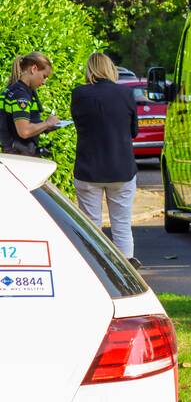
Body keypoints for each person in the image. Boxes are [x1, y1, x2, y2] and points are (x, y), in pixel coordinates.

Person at [71, 53, 140, 267]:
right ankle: (127, 266)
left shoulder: (79, 94)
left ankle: (95, 266)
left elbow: (78, 124)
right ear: (111, 69)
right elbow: (134, 131)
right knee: (122, 223)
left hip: (88, 168)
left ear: (89, 69)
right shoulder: (126, 94)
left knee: (91, 224)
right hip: (121, 168)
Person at [1, 52, 60, 156]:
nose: (44, 82)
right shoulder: (21, 95)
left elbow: (12, 125)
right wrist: (47, 123)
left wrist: (45, 127)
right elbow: (24, 131)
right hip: (18, 157)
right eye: (44, 76)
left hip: (10, 155)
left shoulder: (11, 90)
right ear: (34, 69)